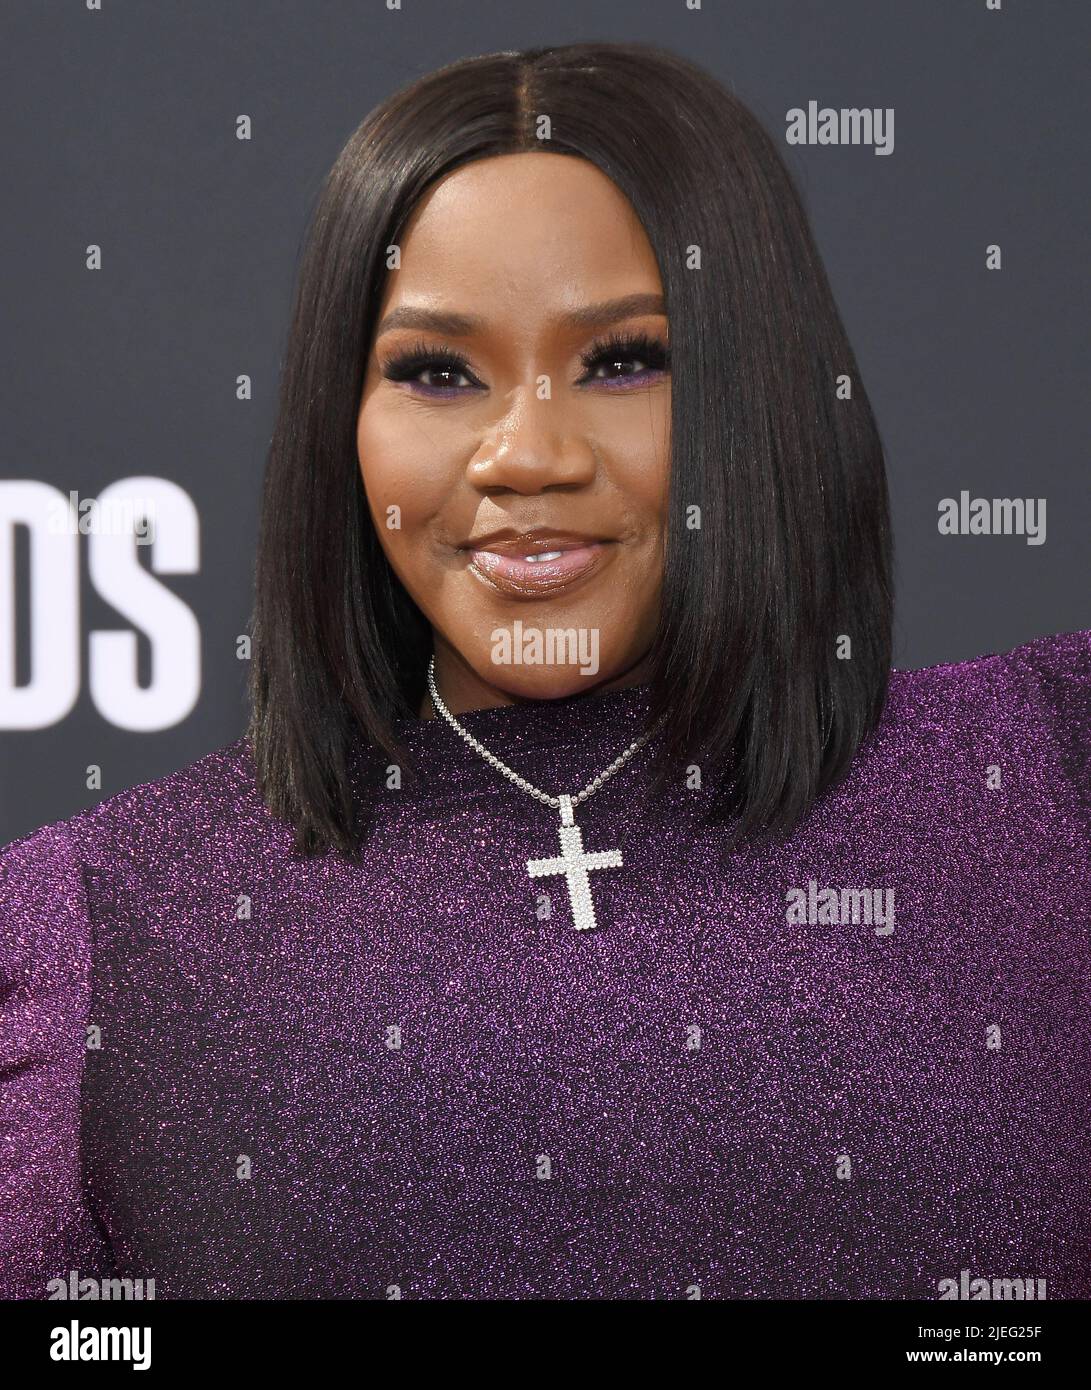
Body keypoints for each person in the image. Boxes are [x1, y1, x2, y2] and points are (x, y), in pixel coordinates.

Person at [2, 42, 1088, 1300]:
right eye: (435, 372)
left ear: (767, 390)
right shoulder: (99, 919)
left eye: (622, 359)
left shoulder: (1049, 771)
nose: (525, 454)